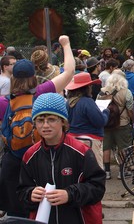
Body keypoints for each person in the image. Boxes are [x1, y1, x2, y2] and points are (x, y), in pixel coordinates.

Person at [0, 35, 75, 218]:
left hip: (12, 165)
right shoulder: (42, 92)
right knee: (42, 212)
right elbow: (70, 72)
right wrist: (66, 44)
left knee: (15, 216)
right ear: (34, 75)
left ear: (12, 77)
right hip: (39, 160)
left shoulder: (4, 103)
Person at [17, 93, 105, 223]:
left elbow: (97, 188)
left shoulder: (81, 152)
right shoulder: (30, 155)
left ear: (63, 121)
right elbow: (22, 191)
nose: (45, 125)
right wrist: (30, 194)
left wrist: (69, 194)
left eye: (51, 119)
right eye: (40, 120)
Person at [66, 72, 109, 170]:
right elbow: (100, 121)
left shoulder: (69, 103)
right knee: (95, 172)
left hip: (72, 140)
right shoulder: (87, 102)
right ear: (86, 88)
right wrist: (106, 112)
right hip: (89, 142)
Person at [98, 69, 134, 180]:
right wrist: (131, 120)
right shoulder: (126, 92)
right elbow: (130, 109)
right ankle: (121, 172)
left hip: (106, 124)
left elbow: (99, 108)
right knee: (123, 148)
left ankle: (107, 172)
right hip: (122, 124)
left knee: (106, 148)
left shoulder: (102, 92)